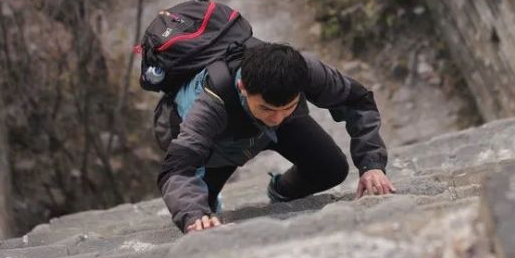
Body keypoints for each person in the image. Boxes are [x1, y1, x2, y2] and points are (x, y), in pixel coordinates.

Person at [157, 42, 395, 232]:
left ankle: (281, 191)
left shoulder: (303, 71)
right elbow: (178, 169)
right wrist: (194, 214)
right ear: (242, 86)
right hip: (221, 144)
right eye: (267, 108)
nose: (277, 118)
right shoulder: (208, 106)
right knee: (204, 218)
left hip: (279, 130)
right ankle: (208, 204)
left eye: (287, 106)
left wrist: (371, 163)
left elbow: (357, 100)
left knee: (331, 169)